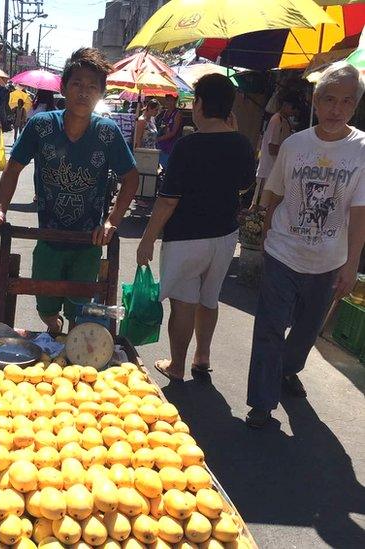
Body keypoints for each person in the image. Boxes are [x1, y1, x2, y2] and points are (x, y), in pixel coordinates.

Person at [0, 47, 139, 334]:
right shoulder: (41, 126)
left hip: (88, 241)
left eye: (93, 87)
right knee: (46, 308)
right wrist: (0, 209)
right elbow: (13, 168)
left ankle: (72, 339)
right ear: (64, 88)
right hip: (48, 237)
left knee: (81, 312)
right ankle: (54, 326)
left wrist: (112, 221)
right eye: (77, 84)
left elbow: (131, 177)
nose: (84, 92)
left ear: (101, 94)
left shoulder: (107, 132)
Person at [246, 62, 365, 428]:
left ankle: (288, 369)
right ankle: (261, 405)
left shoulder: (361, 148)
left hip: (329, 259)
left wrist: (351, 265)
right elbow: (274, 191)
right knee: (269, 326)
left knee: (307, 329)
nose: (336, 109)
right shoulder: (296, 144)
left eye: (346, 101)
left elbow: (360, 212)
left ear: (355, 105)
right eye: (329, 99)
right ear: (316, 100)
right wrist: (264, 232)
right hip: (284, 252)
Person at [136, 74, 255, 381]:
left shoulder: (187, 146)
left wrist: (147, 238)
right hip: (225, 236)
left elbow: (167, 201)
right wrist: (237, 137)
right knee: (209, 298)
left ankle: (177, 365)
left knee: (184, 301)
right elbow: (245, 187)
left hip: (186, 238)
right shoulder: (241, 144)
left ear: (199, 104)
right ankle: (202, 356)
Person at [253, 92, 299, 206]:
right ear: (286, 106)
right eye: (292, 109)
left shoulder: (284, 121)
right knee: (261, 204)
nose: (293, 113)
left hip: (274, 170)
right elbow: (272, 148)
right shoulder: (276, 121)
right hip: (268, 169)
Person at [156, 94, 183, 168]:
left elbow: (173, 132)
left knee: (168, 166)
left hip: (171, 144)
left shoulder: (177, 113)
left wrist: (159, 139)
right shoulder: (164, 112)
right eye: (167, 100)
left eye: (171, 100)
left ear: (175, 101)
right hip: (161, 144)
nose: (169, 103)